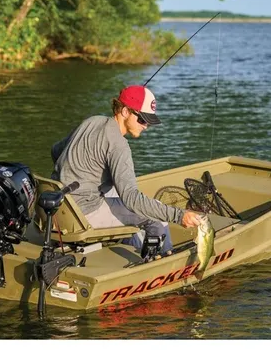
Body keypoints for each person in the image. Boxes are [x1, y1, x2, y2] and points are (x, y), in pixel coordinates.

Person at [50, 85, 203, 254]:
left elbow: (56, 151)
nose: (146, 126)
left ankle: (129, 246)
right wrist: (179, 215)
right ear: (124, 111)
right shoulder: (119, 145)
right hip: (82, 214)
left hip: (59, 207)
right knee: (156, 218)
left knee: (115, 190)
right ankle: (164, 262)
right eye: (142, 119)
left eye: (149, 121)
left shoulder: (92, 121)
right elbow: (132, 199)